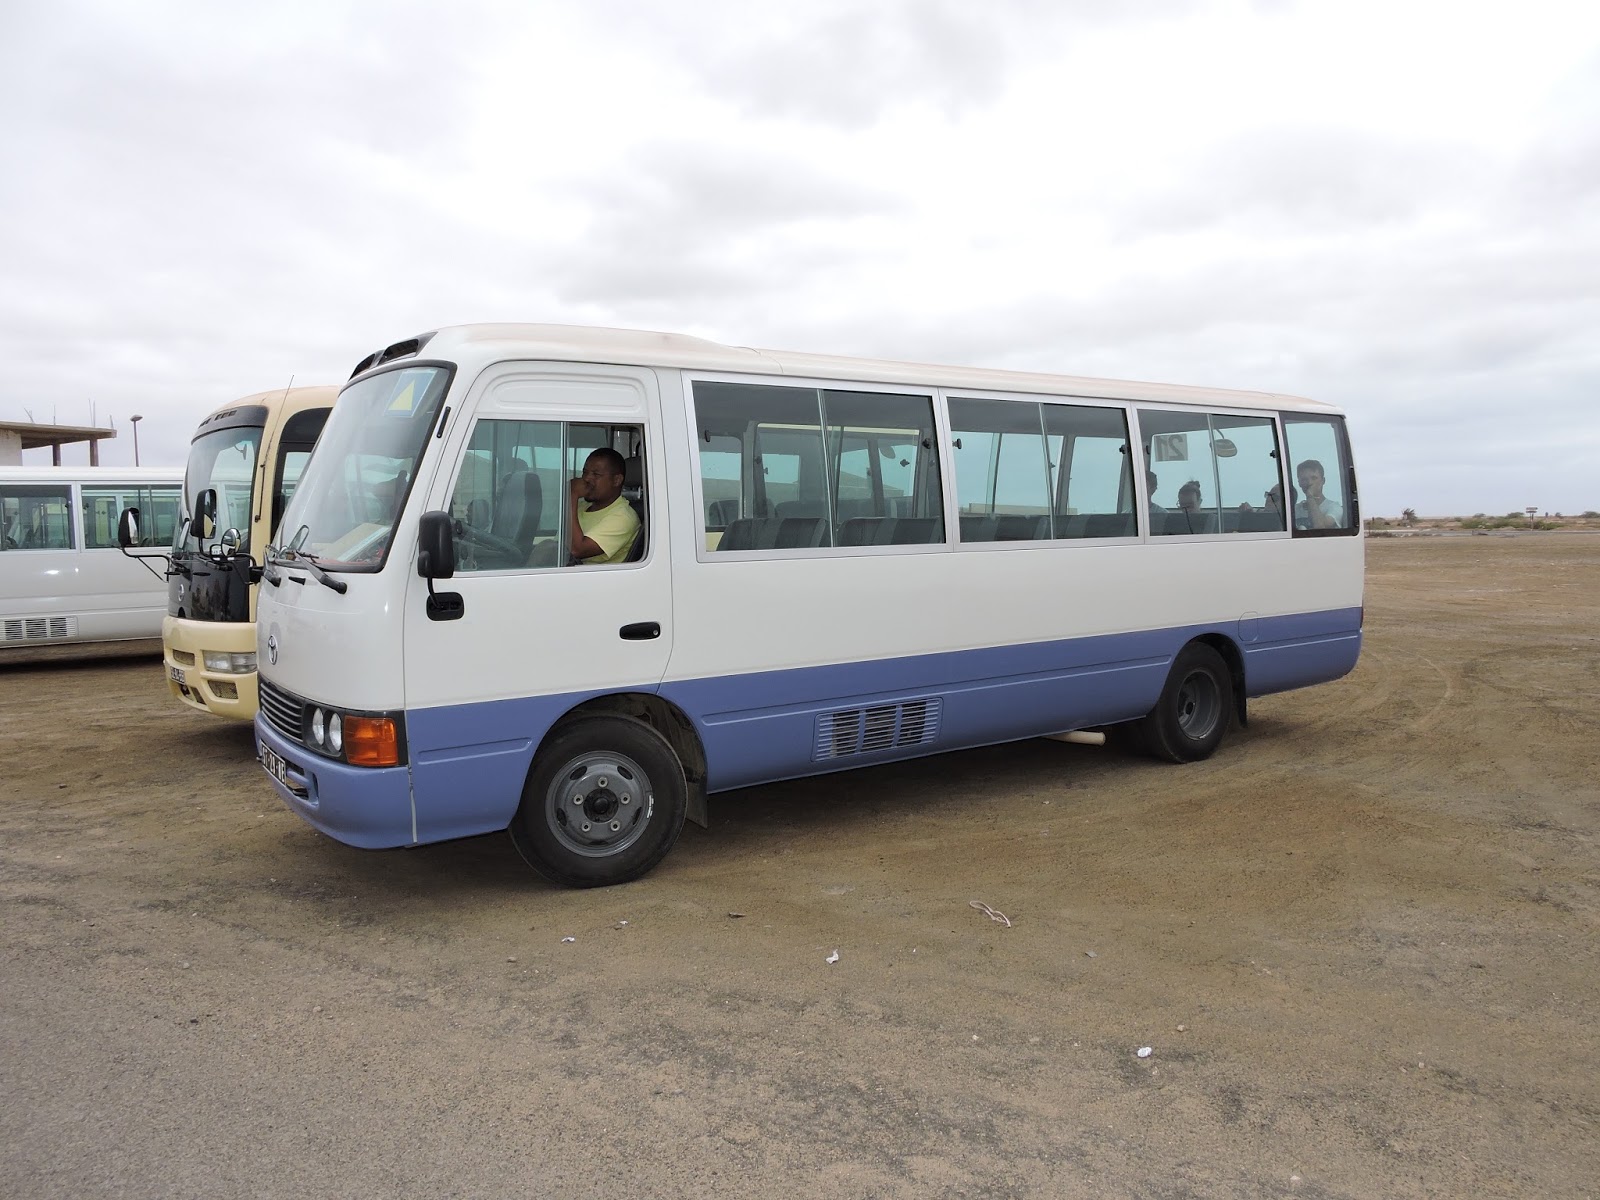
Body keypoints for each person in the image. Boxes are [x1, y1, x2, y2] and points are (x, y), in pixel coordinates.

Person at [565, 447, 640, 564]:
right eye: (585, 472)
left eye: (596, 474)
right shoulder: (581, 506)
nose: (586, 478)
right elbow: (558, 547)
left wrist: (572, 495)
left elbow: (576, 550)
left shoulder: (623, 517)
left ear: (616, 480)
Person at [1294, 459, 1343, 529]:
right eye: (1304, 479)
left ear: (1323, 481)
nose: (1309, 482)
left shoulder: (1334, 508)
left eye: (1314, 478)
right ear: (1299, 483)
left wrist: (1310, 497)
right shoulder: (1295, 510)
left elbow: (1321, 526)